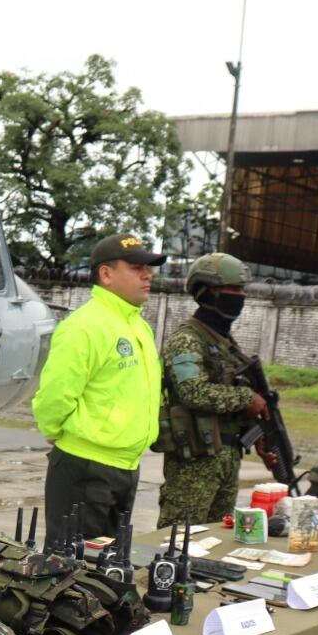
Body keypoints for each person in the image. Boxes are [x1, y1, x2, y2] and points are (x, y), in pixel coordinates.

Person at [31, 233, 163, 544]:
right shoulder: (84, 326)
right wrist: (56, 430)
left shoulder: (137, 325)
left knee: (109, 570)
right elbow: (54, 394)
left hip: (125, 466)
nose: (148, 275)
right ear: (106, 274)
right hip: (86, 469)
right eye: (136, 268)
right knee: (73, 572)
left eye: (149, 268)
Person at [155, 253, 273, 526]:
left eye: (242, 290)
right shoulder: (187, 339)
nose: (239, 296)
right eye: (231, 289)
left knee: (215, 540)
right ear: (207, 292)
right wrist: (246, 398)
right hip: (195, 465)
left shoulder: (225, 343)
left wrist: (259, 435)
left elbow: (231, 394)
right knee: (176, 540)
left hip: (227, 458)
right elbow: (192, 391)